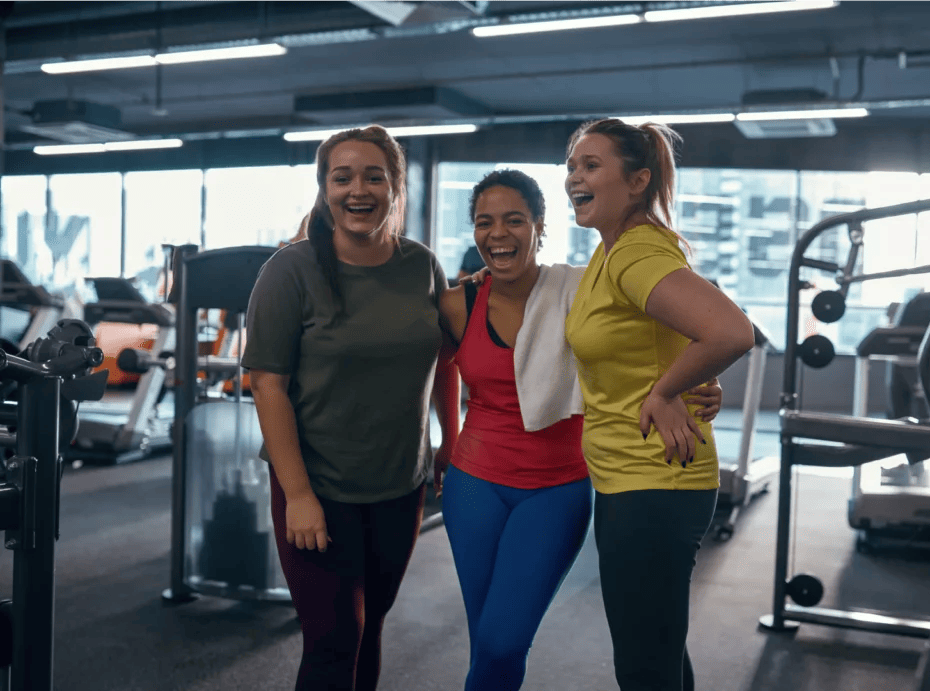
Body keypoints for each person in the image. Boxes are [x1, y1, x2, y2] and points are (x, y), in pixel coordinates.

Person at [437, 169, 723, 691]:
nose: (498, 233)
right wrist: (441, 441)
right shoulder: (459, 304)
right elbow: (431, 373)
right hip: (472, 484)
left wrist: (699, 381)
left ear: (539, 227)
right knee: (488, 642)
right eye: (484, 222)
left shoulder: (581, 289)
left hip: (554, 489)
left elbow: (652, 334)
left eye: (514, 220)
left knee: (503, 639)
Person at [241, 125, 460, 691]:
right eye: (343, 177)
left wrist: (450, 442)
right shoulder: (290, 271)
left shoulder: (421, 266)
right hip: (318, 485)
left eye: (373, 176)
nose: (357, 190)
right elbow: (267, 383)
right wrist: (300, 497)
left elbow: (448, 358)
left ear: (395, 187)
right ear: (325, 188)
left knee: (372, 627)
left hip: (398, 483)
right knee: (334, 639)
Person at [562, 118, 755, 691]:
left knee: (645, 662)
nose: (575, 176)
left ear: (638, 180)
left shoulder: (634, 254)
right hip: (638, 478)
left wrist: (665, 390)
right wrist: (672, 377)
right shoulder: (614, 248)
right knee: (659, 647)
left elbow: (730, 331)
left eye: (592, 165)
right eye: (572, 165)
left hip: (652, 481)